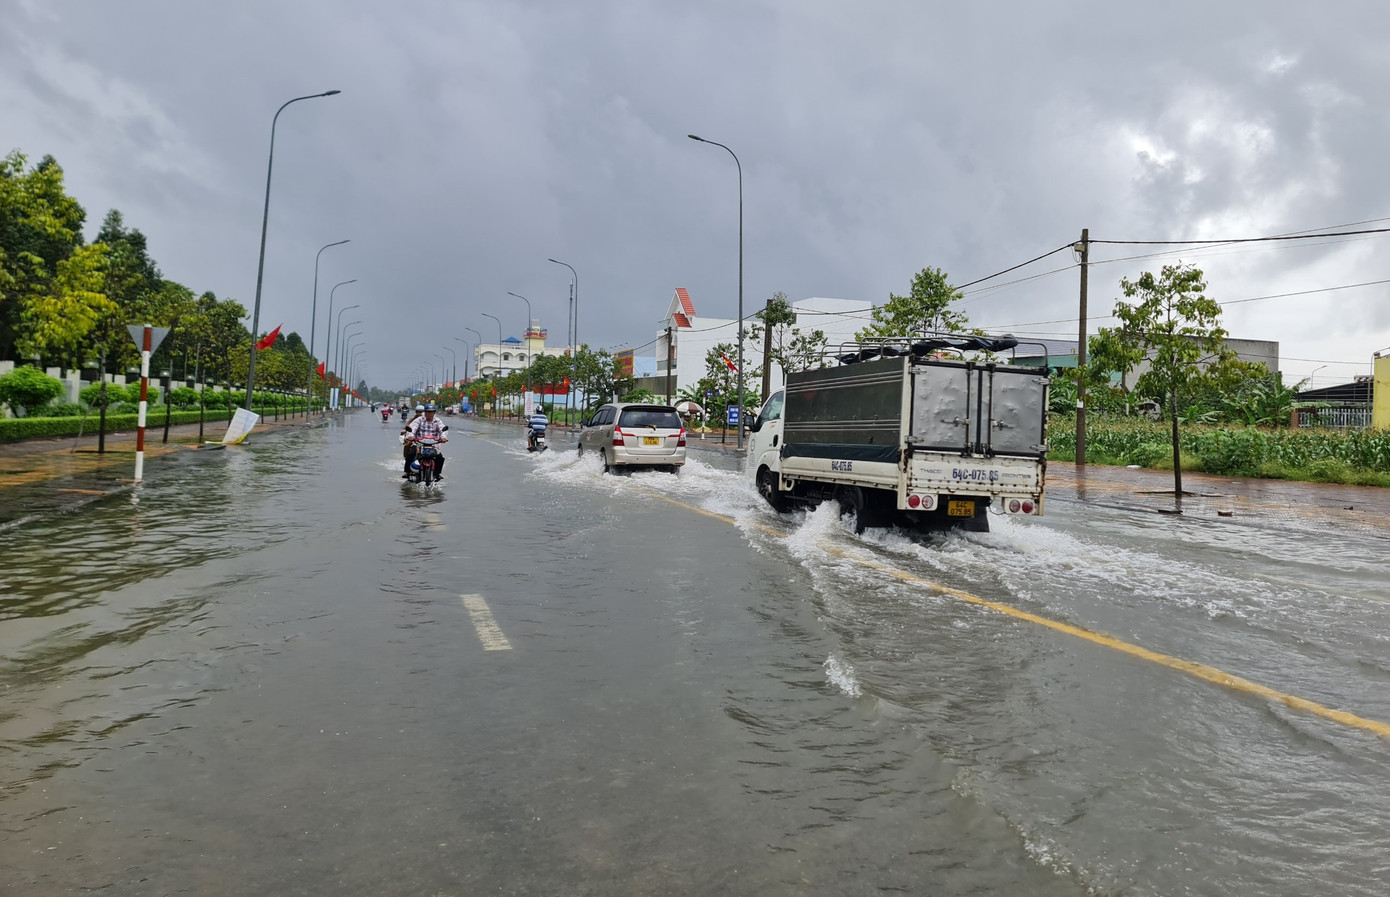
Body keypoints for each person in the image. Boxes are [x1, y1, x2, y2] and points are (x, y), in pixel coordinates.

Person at [402, 403, 448, 479]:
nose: (429, 414)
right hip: (419, 443)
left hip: (433, 444)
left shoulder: (437, 421)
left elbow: (443, 429)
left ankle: (437, 474)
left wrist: (443, 437)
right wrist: (410, 436)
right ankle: (407, 472)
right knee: (411, 454)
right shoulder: (419, 420)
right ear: (425, 412)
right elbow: (412, 428)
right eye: (428, 412)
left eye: (431, 412)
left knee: (440, 457)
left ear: (434, 412)